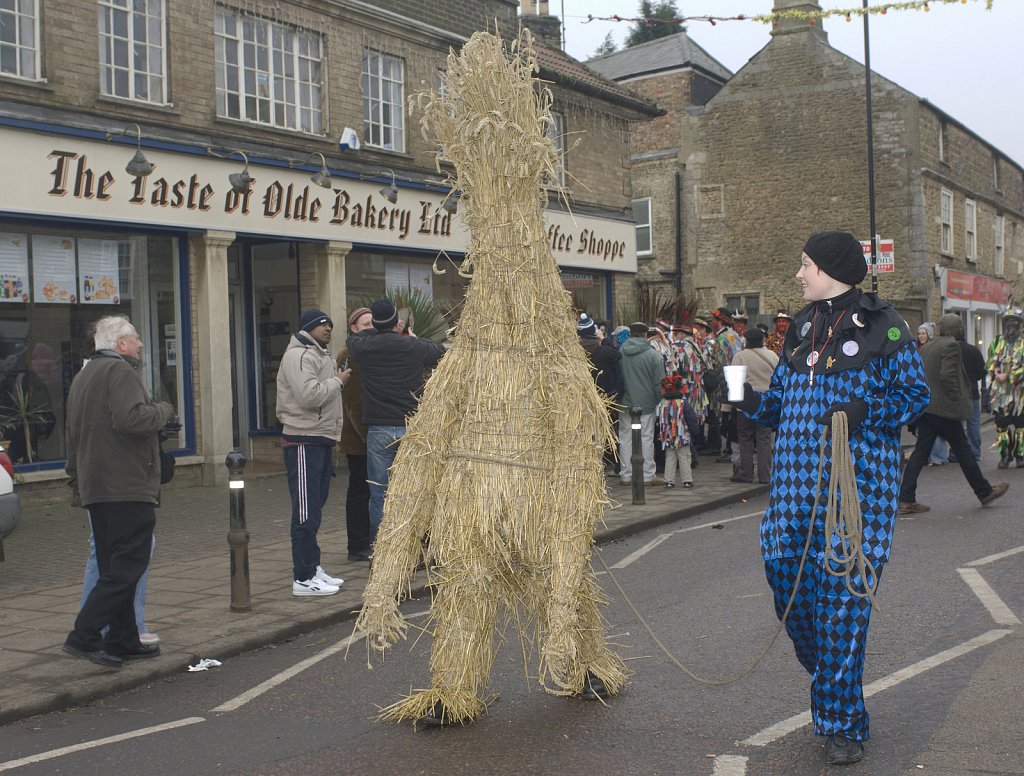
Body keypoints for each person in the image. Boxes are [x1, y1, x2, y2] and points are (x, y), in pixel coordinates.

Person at [734, 231, 930, 766]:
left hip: (857, 490)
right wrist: (739, 398)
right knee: (783, 577)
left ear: (832, 268)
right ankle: (831, 670)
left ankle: (842, 723)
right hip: (793, 490)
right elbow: (776, 406)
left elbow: (915, 395)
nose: (798, 275)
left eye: (805, 265)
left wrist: (868, 412)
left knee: (843, 607)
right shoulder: (799, 327)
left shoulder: (887, 324)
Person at [63, 315, 175, 669]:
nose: (141, 344)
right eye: (136, 338)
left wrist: (75, 480)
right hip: (125, 483)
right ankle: (84, 634)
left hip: (96, 484)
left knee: (115, 563)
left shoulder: (83, 377)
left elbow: (74, 434)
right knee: (127, 566)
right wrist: (164, 411)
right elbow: (132, 419)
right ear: (120, 344)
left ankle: (123, 639)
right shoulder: (120, 372)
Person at [348, 298, 446, 542]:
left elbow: (354, 338)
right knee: (415, 491)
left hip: (379, 430)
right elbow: (440, 353)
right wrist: (405, 334)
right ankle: (414, 548)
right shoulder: (412, 346)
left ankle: (381, 551)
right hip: (411, 427)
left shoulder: (363, 347)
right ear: (396, 320)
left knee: (379, 493)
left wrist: (384, 329)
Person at [899, 314, 1010, 513]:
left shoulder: (929, 346)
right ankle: (984, 492)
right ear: (956, 330)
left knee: (919, 453)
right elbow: (948, 375)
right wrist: (957, 399)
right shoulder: (951, 346)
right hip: (944, 410)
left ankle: (906, 499)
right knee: (963, 450)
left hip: (928, 408)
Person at [277, 309, 350, 596]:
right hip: (303, 439)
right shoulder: (299, 356)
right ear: (309, 328)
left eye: (331, 325)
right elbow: (309, 396)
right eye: (323, 325)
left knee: (315, 510)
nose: (329, 329)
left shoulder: (320, 355)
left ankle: (312, 566)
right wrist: (339, 381)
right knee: (305, 513)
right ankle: (304, 577)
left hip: (320, 438)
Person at [337, 307, 374, 562]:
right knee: (360, 491)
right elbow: (353, 402)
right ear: (353, 328)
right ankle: (358, 545)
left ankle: (363, 542)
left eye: (373, 323)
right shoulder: (350, 353)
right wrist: (368, 439)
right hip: (359, 440)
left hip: (366, 436)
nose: (371, 328)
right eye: (365, 324)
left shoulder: (368, 351)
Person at [617, 321, 666, 486]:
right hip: (646, 403)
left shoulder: (621, 351)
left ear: (631, 334)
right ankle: (647, 475)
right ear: (646, 335)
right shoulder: (653, 356)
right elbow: (660, 383)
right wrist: (659, 400)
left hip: (624, 402)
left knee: (625, 438)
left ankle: (626, 475)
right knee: (646, 438)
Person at [729, 327, 778, 484]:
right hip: (765, 403)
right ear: (763, 340)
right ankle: (765, 475)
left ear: (747, 340)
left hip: (745, 403)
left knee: (745, 438)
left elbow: (734, 383)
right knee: (764, 439)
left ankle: (746, 473)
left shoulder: (740, 357)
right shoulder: (772, 356)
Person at [577, 312, 622, 476]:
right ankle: (616, 465)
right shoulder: (603, 350)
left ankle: (592, 465)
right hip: (606, 398)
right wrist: (604, 340)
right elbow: (618, 355)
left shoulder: (576, 352)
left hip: (584, 399)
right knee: (611, 433)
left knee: (589, 434)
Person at [986, 308, 1024, 468]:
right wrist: (994, 371)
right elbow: (989, 361)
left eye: (1014, 322)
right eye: (1008, 322)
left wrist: (1009, 376)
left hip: (1019, 394)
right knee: (1001, 425)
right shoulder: (997, 342)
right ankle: (1005, 455)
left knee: (1020, 426)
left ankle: (1020, 456)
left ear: (1020, 325)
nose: (1011, 325)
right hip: (1000, 394)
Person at [947, 329, 986, 463]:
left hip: (956, 392)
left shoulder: (950, 351)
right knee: (973, 423)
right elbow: (982, 371)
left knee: (957, 424)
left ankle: (955, 454)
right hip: (972, 392)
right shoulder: (973, 350)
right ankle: (975, 453)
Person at [656, 373, 698, 489]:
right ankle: (687, 480)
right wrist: (696, 433)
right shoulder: (683, 403)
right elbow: (691, 419)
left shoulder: (662, 404)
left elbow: (659, 420)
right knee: (684, 457)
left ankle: (669, 481)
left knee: (670, 458)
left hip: (668, 437)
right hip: (682, 436)